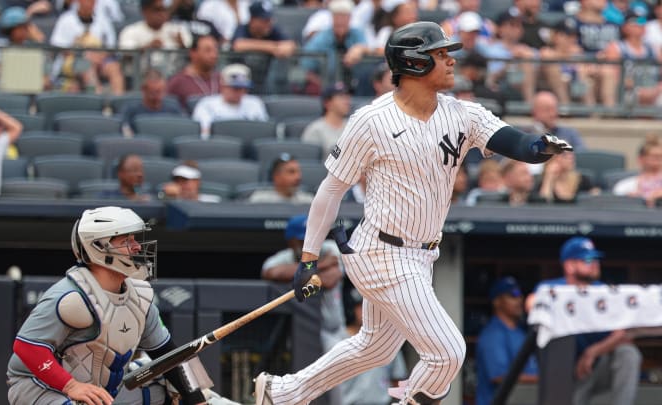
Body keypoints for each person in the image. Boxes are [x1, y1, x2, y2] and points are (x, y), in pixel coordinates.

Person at [253, 21, 571, 405]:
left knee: (374, 349)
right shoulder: (372, 121)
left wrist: (538, 147)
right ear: (414, 64)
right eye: (440, 55)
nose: (451, 61)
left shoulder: (462, 114)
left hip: (422, 254)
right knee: (448, 352)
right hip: (381, 253)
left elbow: (516, 143)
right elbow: (330, 190)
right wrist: (308, 257)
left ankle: (281, 392)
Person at [6, 206, 231, 405]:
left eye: (135, 239)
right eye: (126, 241)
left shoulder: (139, 296)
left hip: (103, 391)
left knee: (182, 385)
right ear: (98, 247)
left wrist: (197, 401)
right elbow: (27, 348)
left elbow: (168, 355)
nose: (136, 247)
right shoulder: (70, 297)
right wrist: (71, 386)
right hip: (41, 389)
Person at [525, 237, 641, 405]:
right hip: (562, 371)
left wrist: (593, 351)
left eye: (596, 259)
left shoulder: (602, 292)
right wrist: (568, 303)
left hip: (594, 366)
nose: (594, 263)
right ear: (569, 265)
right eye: (587, 259)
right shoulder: (555, 288)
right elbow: (531, 303)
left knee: (628, 353)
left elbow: (623, 332)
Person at [261, 214, 345, 352]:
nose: (310, 243)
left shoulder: (330, 248)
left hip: (337, 329)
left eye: (313, 238)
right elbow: (271, 273)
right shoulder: (285, 257)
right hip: (304, 331)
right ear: (291, 241)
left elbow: (330, 280)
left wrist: (299, 275)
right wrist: (321, 265)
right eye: (303, 239)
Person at [475, 276, 538, 405]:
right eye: (513, 295)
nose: (519, 300)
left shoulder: (521, 332)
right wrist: (544, 380)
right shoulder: (493, 334)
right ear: (497, 302)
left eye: (520, 295)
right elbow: (500, 377)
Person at [192, 63, 269, 137]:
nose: (241, 92)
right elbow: (205, 135)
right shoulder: (207, 104)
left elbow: (263, 133)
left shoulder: (254, 103)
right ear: (222, 86)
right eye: (236, 88)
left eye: (244, 88)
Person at [167, 33, 222, 113]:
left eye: (215, 50)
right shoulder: (178, 82)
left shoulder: (222, 80)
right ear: (193, 53)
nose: (214, 55)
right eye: (208, 50)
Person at [121, 69, 183, 135]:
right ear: (143, 89)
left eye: (159, 91)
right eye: (153, 92)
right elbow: (126, 132)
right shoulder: (131, 111)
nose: (156, 96)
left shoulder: (174, 111)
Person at [301, 82, 351, 156]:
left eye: (348, 96)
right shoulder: (315, 129)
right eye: (341, 97)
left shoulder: (354, 127)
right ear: (327, 103)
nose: (347, 101)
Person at [612, 134, 662, 207]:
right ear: (641, 159)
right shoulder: (624, 186)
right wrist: (633, 201)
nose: (658, 160)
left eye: (660, 157)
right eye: (654, 157)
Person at [247, 153, 314, 204]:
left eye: (298, 172)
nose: (298, 177)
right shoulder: (259, 200)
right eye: (291, 172)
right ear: (276, 176)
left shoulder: (307, 201)